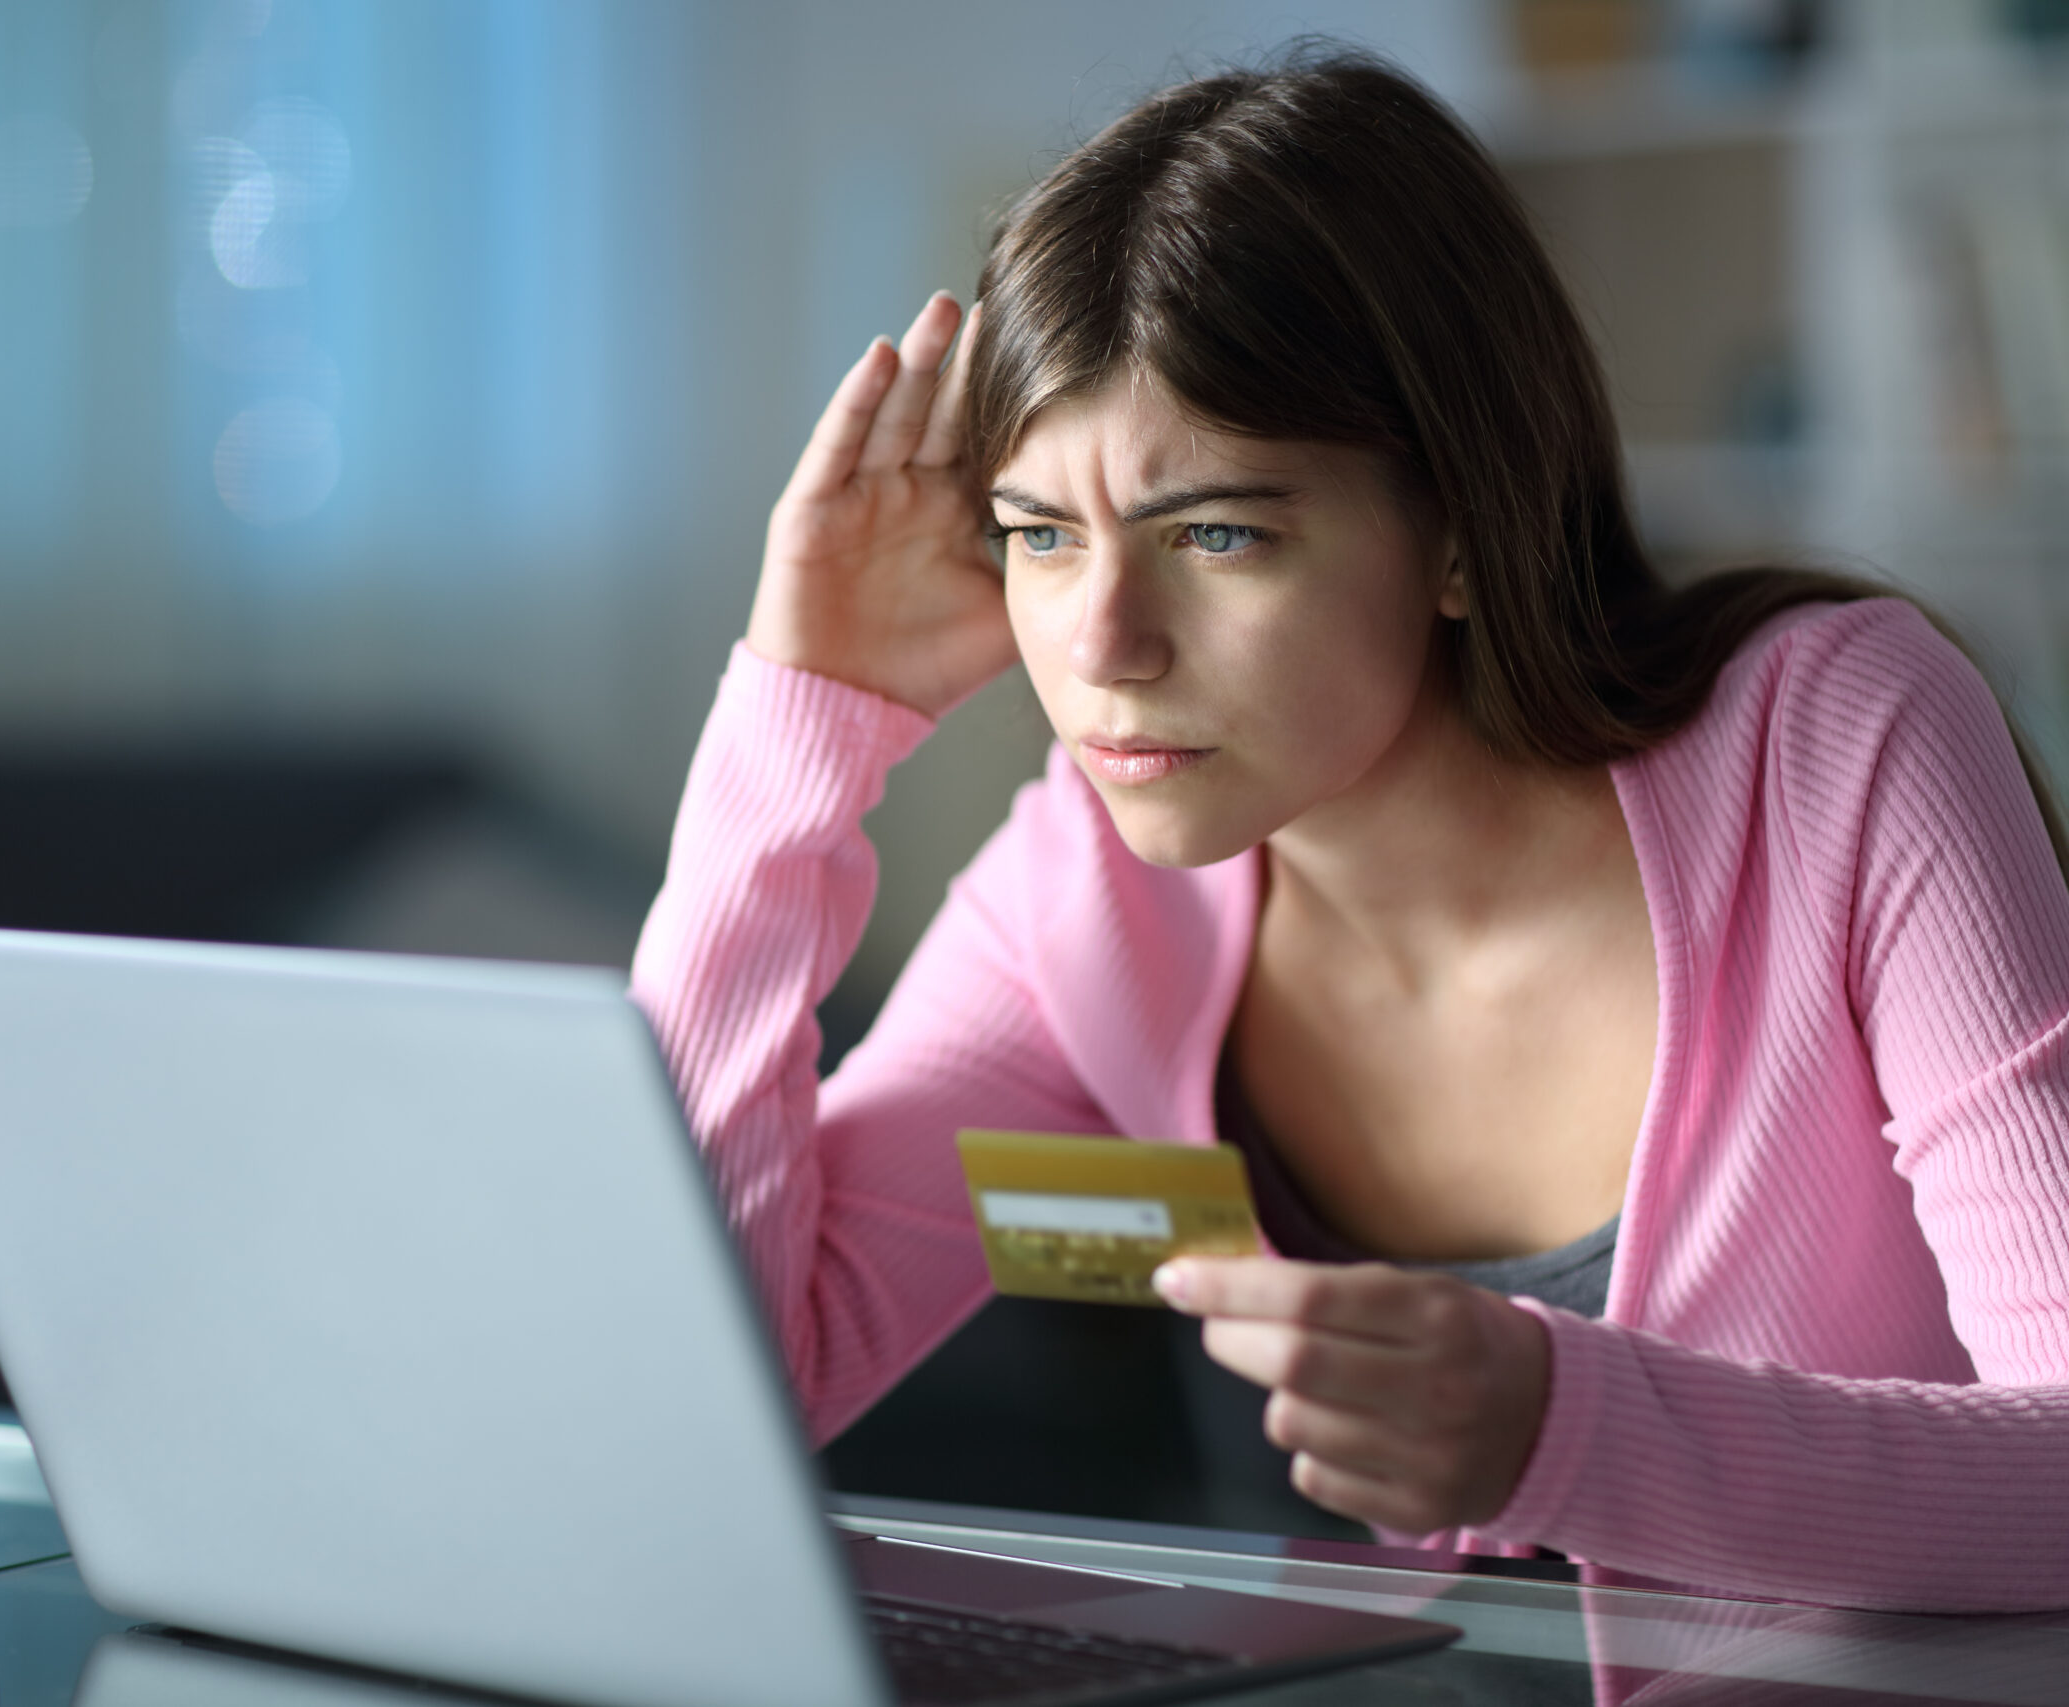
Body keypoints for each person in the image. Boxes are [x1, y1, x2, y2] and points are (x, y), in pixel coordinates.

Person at [629, 53, 2069, 1612]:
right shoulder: (1084, 903)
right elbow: (722, 1395)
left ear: (1459, 527)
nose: (1104, 644)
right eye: (1041, 535)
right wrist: (800, 717)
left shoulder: (1836, 749)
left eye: (1220, 533)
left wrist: (1559, 1427)